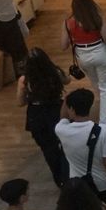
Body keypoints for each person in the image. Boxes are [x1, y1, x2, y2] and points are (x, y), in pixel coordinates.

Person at [61, 0, 106, 125]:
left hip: (82, 56)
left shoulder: (68, 22)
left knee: (96, 83)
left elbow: (63, 45)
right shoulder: (97, 17)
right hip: (100, 52)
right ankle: (105, 124)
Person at [18, 48, 70, 186]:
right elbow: (67, 81)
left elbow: (20, 102)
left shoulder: (25, 81)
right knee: (65, 144)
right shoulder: (55, 73)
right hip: (56, 110)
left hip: (37, 115)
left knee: (48, 148)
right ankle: (69, 174)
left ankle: (59, 179)